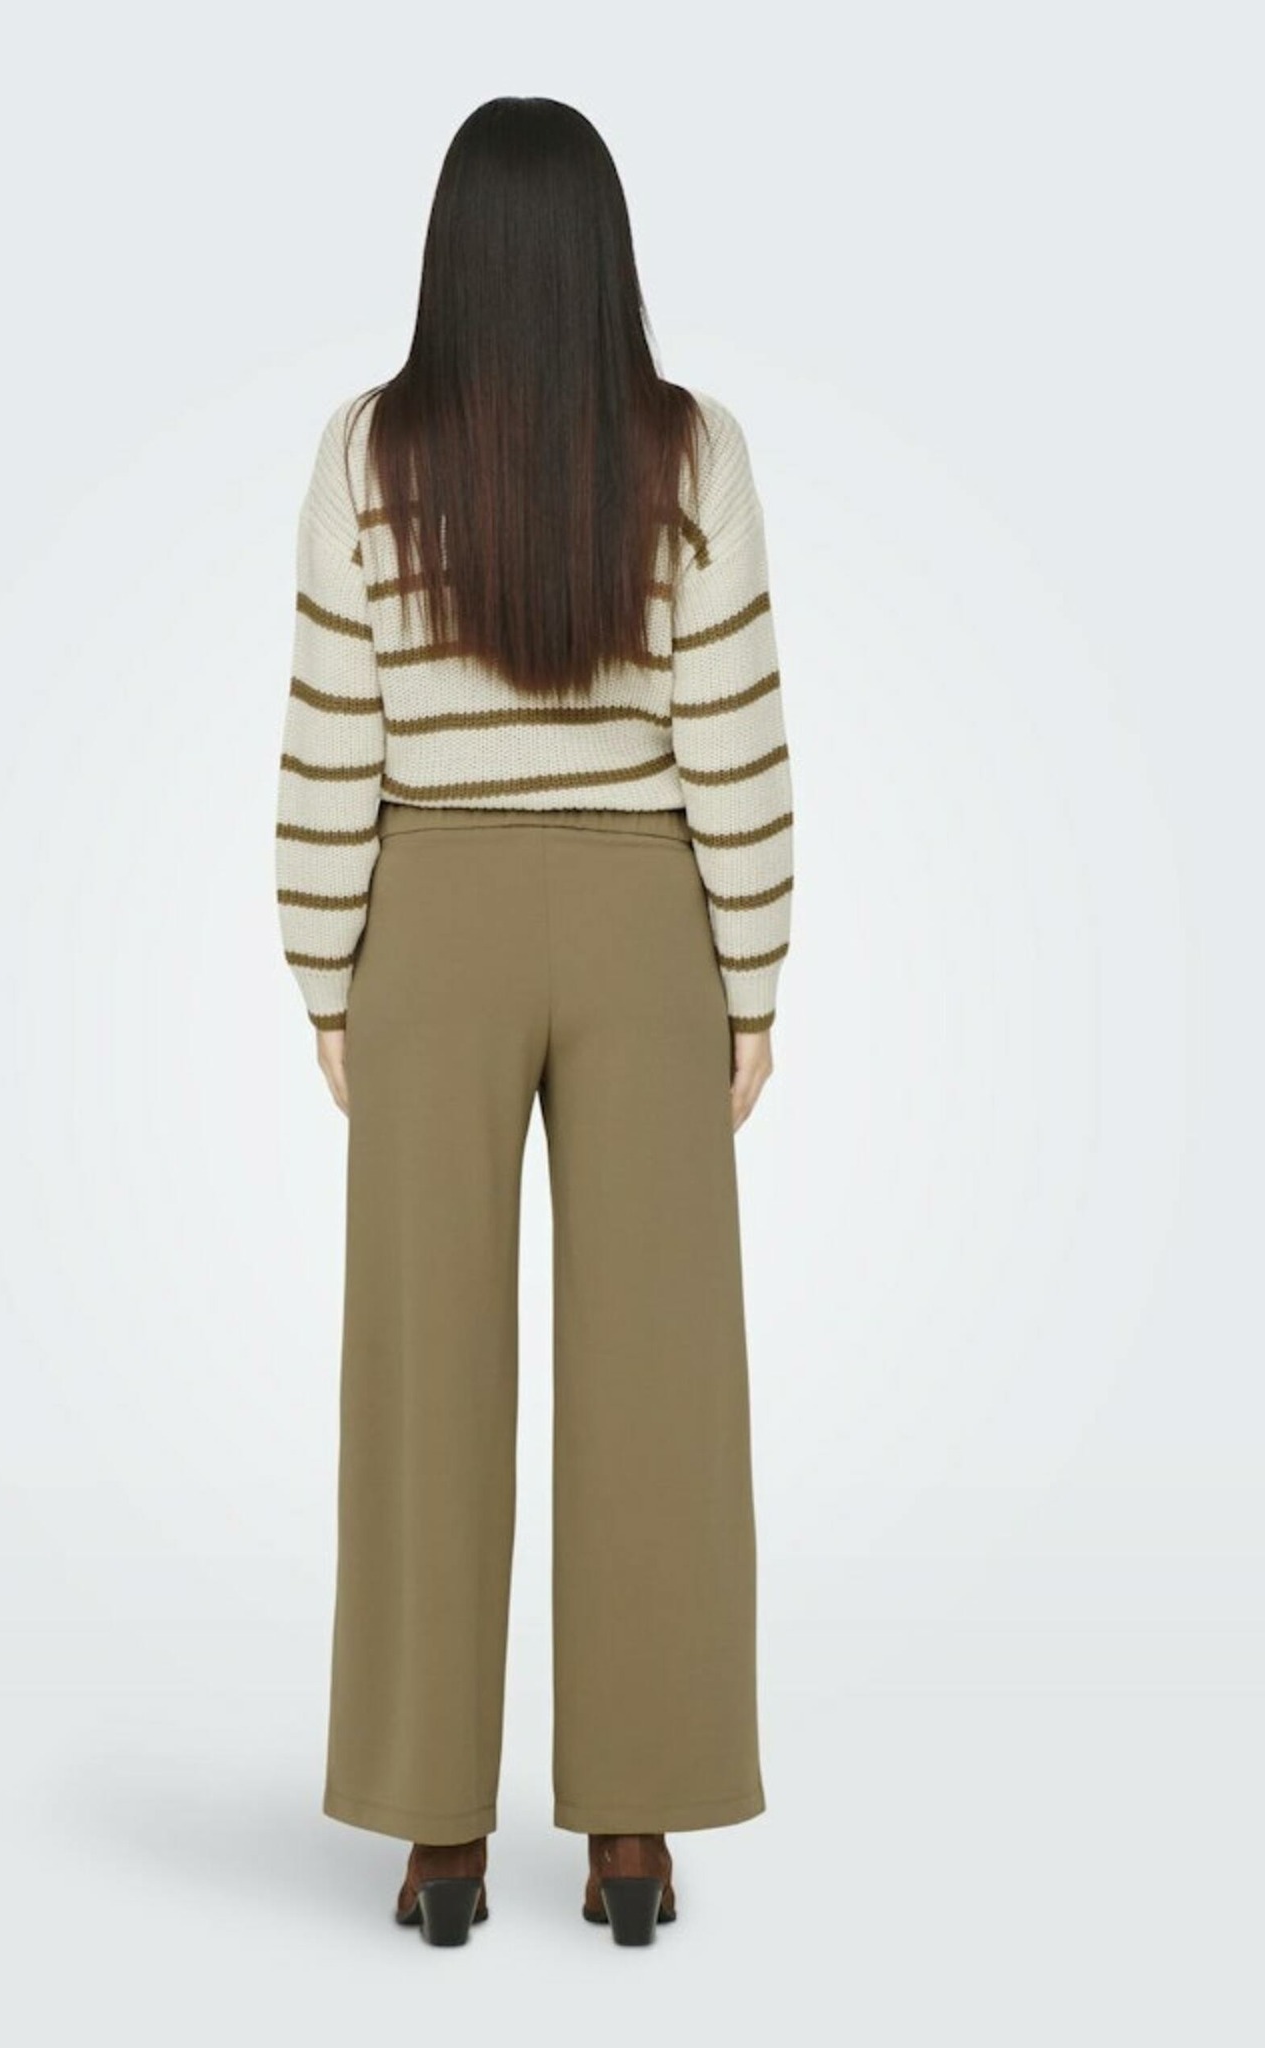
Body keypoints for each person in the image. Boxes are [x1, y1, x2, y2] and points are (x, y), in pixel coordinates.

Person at [274, 95, 794, 1949]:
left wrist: (325, 965)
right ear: (602, 258)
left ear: (452, 258)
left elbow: (333, 724)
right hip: (651, 915)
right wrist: (754, 974)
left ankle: (436, 1836)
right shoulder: (688, 449)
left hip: (432, 915)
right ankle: (634, 1833)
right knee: (661, 1371)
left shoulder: (372, 452)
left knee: (420, 1370)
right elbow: (731, 727)